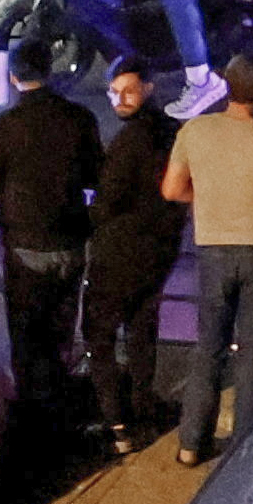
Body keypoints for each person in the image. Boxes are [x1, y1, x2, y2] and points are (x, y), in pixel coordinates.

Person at [159, 55, 253, 461]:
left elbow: (171, 190)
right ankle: (244, 447)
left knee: (209, 346)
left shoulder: (194, 130)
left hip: (212, 251)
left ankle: (191, 443)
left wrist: (206, 197)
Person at [0, 46, 98, 414]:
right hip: (70, 240)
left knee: (27, 335)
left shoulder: (5, 126)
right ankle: (59, 403)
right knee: (60, 331)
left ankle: (32, 413)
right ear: (50, 71)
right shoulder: (79, 118)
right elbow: (95, 175)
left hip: (24, 245)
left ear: (14, 77)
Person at [82, 66, 184, 450]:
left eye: (128, 90)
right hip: (160, 250)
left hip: (120, 251)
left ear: (148, 88)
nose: (119, 99)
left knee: (100, 335)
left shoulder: (130, 141)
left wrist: (84, 220)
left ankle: (116, 424)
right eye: (113, 91)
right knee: (142, 331)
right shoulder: (170, 131)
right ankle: (143, 411)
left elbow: (108, 200)